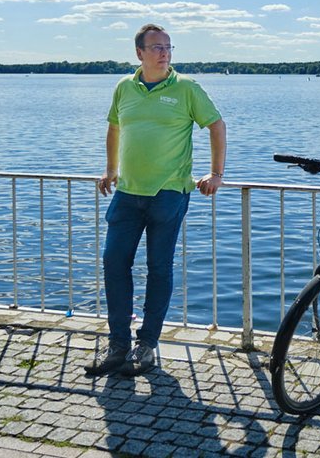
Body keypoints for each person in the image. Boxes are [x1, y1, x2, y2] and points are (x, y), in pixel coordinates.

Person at [85, 23, 226, 377]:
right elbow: (115, 127)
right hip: (127, 193)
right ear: (139, 53)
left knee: (158, 269)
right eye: (157, 47)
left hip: (168, 193)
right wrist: (110, 169)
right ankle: (118, 346)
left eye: (168, 47)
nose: (164, 53)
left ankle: (146, 346)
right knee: (114, 263)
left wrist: (216, 173)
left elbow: (217, 125)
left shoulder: (186, 89)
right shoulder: (124, 87)